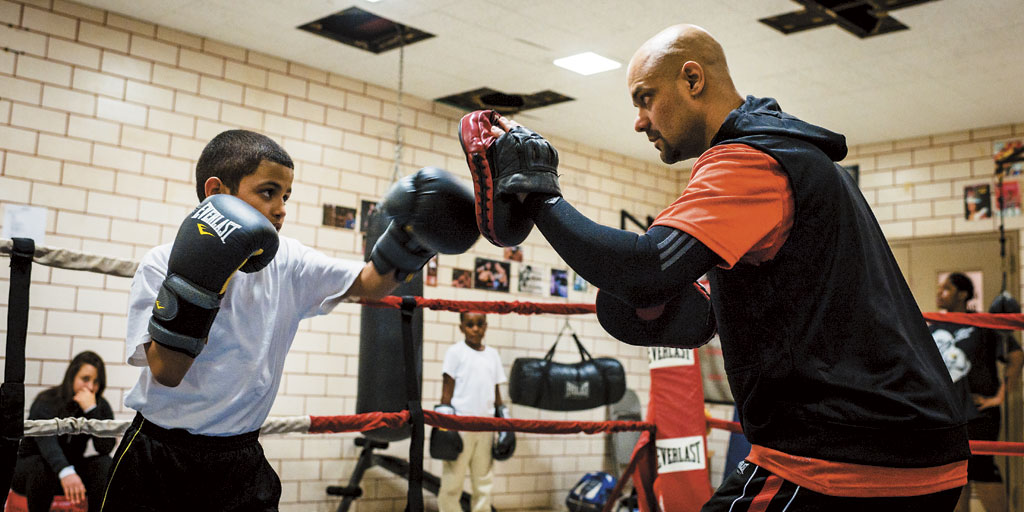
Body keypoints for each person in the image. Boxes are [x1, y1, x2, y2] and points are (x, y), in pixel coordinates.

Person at [481, 24, 971, 510]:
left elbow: (646, 267)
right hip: (912, 446)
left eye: (645, 97)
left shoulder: (751, 160)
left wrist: (537, 191)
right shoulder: (799, 157)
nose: (639, 121)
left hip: (843, 453)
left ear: (692, 80)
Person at [102, 129, 475, 511]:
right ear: (216, 192)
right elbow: (166, 370)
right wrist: (202, 279)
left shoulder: (288, 262)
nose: (281, 208)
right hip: (160, 456)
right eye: (268, 192)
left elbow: (369, 284)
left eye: (285, 196)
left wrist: (415, 237)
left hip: (241, 456)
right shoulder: (161, 263)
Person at [931, 273, 1023, 512]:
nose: (940, 292)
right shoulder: (934, 326)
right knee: (955, 474)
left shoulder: (981, 323)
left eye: (947, 288)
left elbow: (1015, 355)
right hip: (948, 415)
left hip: (979, 413)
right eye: (940, 288)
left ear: (963, 294)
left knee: (981, 468)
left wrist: (1001, 395)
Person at [12, 351, 114, 512]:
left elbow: (105, 447)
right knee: (41, 466)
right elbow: (47, 443)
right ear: (72, 377)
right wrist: (65, 471)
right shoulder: (47, 400)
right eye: (85, 379)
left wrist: (91, 411)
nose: (90, 387)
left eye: (96, 382)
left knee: (104, 464)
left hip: (70, 469)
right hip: (32, 469)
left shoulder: (99, 405)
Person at [436, 312, 509, 512]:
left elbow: (496, 392)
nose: (475, 329)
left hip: (486, 426)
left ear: (486, 326)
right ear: (461, 328)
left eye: (479, 324)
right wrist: (445, 427)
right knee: (453, 481)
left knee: (484, 481)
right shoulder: (455, 352)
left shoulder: (492, 354)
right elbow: (446, 392)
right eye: (470, 325)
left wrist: (504, 423)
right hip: (460, 427)